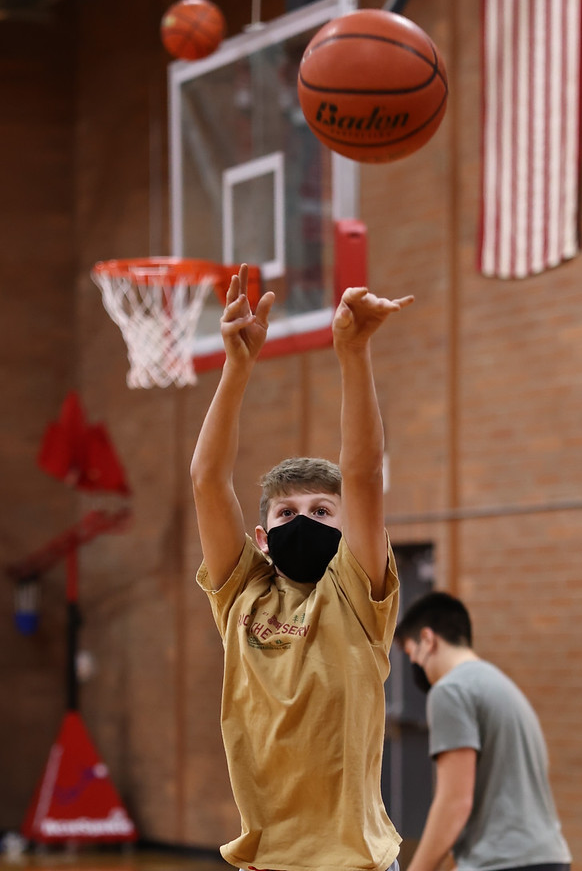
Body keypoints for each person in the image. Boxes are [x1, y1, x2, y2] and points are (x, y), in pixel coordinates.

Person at [191, 263, 413, 871]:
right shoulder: (242, 594)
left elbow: (363, 474)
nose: (304, 520)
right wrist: (236, 368)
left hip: (354, 864)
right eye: (288, 512)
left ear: (347, 529)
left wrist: (353, 353)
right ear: (262, 538)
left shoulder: (356, 593)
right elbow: (208, 481)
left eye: (321, 510)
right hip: (265, 862)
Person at [395, 591, 571, 871]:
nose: (413, 663)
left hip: (502, 862)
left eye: (409, 653)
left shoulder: (450, 690)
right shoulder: (502, 686)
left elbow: (454, 803)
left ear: (427, 640)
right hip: (550, 858)